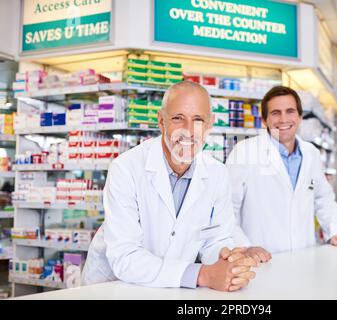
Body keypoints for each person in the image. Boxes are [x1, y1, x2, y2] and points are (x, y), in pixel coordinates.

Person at [82, 81, 258, 292]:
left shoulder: (217, 174)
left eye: (198, 120)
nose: (189, 131)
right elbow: (125, 256)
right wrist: (203, 274)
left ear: (210, 124)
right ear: (161, 121)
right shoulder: (126, 169)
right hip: (115, 287)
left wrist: (228, 260)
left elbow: (216, 239)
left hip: (174, 287)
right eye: (178, 118)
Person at [226, 86, 337, 257]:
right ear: (264, 120)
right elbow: (225, 209)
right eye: (275, 113)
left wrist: (334, 231)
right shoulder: (244, 152)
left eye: (290, 111)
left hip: (304, 256)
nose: (283, 119)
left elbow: (323, 197)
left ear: (300, 117)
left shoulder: (311, 153)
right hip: (260, 261)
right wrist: (244, 246)